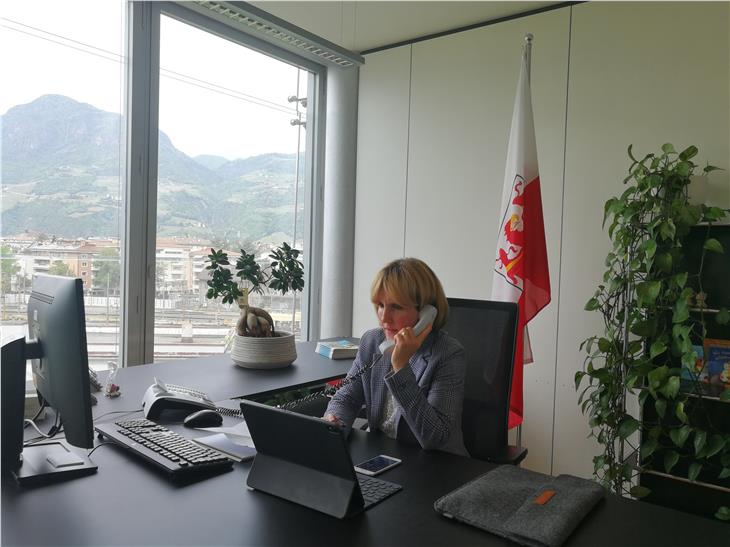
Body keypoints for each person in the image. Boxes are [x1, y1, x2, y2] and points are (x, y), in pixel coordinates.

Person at [324, 257, 468, 456]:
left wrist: (400, 367)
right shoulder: (372, 341)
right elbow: (346, 398)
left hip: (434, 467)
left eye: (396, 307)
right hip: (382, 457)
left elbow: (435, 437)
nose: (384, 318)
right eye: (380, 305)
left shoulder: (447, 354)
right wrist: (335, 422)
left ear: (427, 312)